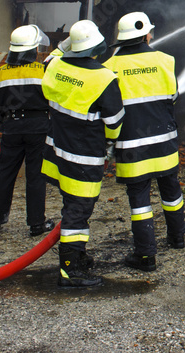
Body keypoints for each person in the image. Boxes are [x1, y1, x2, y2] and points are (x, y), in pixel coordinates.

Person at [41, 20, 124, 288]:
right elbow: (114, 122)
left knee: (70, 204)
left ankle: (77, 256)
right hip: (83, 157)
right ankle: (71, 270)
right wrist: (110, 144)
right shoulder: (104, 78)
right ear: (98, 46)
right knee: (78, 211)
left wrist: (68, 42)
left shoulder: (55, 66)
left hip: (57, 150)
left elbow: (55, 53)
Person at [103, 12, 185, 272]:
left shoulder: (109, 68)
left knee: (139, 199)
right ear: (146, 35)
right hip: (164, 141)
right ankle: (177, 238)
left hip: (130, 146)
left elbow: (108, 110)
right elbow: (173, 96)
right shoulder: (165, 60)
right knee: (171, 191)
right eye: (150, 32)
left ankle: (146, 255)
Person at [0, 25, 54, 237]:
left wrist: (2, 119)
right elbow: (54, 100)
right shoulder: (44, 72)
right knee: (35, 177)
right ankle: (36, 224)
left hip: (11, 130)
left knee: (5, 175)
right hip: (38, 129)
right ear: (33, 50)